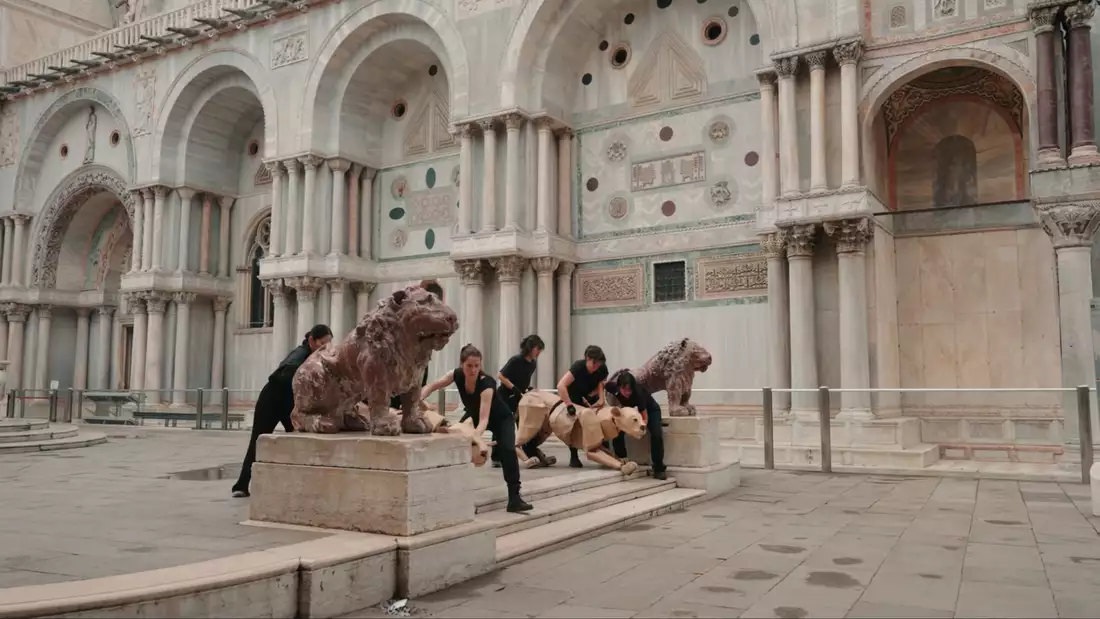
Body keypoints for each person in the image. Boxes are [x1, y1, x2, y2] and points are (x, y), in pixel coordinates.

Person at [422, 344, 533, 513]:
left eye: (476, 366)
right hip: (473, 414)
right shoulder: (456, 374)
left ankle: (515, 498)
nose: (473, 370)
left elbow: (483, 420)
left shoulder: (487, 384)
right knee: (456, 443)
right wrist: (417, 399)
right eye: (469, 366)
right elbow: (433, 386)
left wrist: (474, 437)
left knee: (508, 450)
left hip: (501, 418)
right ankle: (458, 496)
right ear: (462, 364)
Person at [231, 324, 333, 498]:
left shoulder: (312, 356)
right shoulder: (300, 355)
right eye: (323, 343)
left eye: (329, 343)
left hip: (287, 404)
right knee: (257, 441)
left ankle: (294, 482)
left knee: (297, 440)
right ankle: (241, 485)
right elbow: (280, 377)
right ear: (312, 340)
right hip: (271, 401)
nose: (326, 348)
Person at [492, 334, 545, 467]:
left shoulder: (533, 363)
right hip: (504, 396)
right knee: (502, 425)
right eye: (538, 349)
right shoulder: (516, 360)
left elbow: (524, 379)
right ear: (531, 348)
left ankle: (529, 452)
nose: (539, 352)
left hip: (519, 397)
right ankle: (496, 457)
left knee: (524, 424)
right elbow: (500, 375)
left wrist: (527, 388)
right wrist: (513, 388)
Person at [605, 370, 667, 480]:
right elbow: (602, 384)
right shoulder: (613, 388)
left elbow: (644, 418)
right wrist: (600, 399)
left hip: (650, 411)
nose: (627, 392)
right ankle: (622, 458)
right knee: (617, 428)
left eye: (630, 390)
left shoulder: (638, 394)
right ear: (619, 387)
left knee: (656, 434)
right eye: (624, 389)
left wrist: (639, 430)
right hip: (630, 413)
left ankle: (658, 467)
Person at [556, 345, 608, 468]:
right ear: (587, 359)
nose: (596, 367)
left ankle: (604, 451)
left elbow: (601, 382)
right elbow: (561, 386)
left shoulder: (601, 368)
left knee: (601, 420)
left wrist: (601, 398)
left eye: (598, 364)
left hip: (591, 394)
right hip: (573, 396)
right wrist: (569, 405)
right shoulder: (578, 367)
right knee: (574, 425)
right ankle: (574, 456)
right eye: (594, 363)